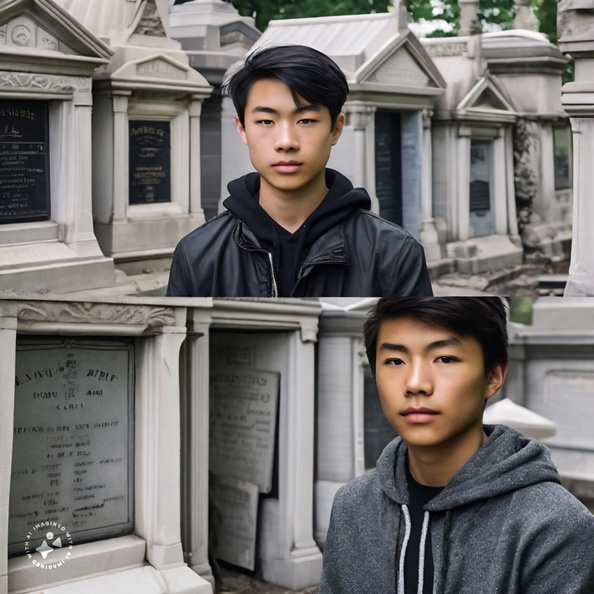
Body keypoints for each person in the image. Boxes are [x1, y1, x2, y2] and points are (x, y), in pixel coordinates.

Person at [320, 297, 594, 594]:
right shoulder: (352, 505)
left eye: (445, 358)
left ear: (493, 376)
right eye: (395, 361)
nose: (415, 383)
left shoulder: (555, 526)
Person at [166, 44, 432, 297]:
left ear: (336, 128)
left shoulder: (395, 253)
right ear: (242, 129)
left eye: (305, 120)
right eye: (266, 121)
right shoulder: (196, 252)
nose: (286, 142)